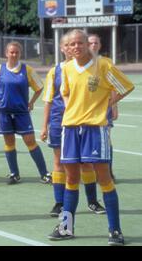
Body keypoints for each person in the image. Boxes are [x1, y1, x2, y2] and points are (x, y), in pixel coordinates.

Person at [48, 29, 134, 246]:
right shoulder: (67, 68)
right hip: (70, 129)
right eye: (72, 44)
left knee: (103, 178)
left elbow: (125, 86)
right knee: (71, 179)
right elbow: (65, 91)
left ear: (88, 45)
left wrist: (108, 103)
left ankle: (115, 230)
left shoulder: (103, 65)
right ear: (68, 48)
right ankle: (66, 228)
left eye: (80, 43)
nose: (76, 47)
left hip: (95, 129)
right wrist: (70, 107)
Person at [41, 33, 105, 217]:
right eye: (68, 46)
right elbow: (48, 100)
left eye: (75, 45)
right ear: (63, 49)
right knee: (59, 162)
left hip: (83, 121)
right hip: (59, 121)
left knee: (86, 163)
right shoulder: (55, 71)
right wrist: (44, 126)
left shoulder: (89, 68)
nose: (71, 48)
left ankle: (92, 201)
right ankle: (59, 203)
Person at [0, 41, 51, 184]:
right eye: (11, 52)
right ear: (6, 53)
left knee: (30, 141)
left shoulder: (27, 70)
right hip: (4, 112)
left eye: (16, 52)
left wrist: (31, 102)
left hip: (21, 113)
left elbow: (39, 87)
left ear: (20, 54)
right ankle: (14, 173)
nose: (14, 54)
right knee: (9, 142)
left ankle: (44, 174)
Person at [88, 34, 118, 181]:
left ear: (99, 45)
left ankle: (108, 172)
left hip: (103, 107)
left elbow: (113, 86)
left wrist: (114, 105)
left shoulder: (106, 62)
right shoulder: (80, 63)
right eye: (90, 43)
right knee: (87, 140)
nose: (93, 45)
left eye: (95, 43)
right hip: (85, 109)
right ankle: (91, 173)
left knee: (106, 140)